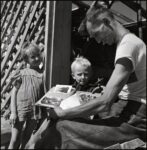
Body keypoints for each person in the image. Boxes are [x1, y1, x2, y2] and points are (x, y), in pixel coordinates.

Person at [35, 2, 146, 149]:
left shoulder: (127, 46)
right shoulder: (129, 43)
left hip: (135, 118)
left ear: (106, 22)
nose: (98, 41)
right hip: (125, 108)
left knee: (62, 130)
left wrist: (63, 113)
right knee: (66, 122)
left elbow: (105, 102)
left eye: (96, 34)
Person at [24, 56, 105, 149]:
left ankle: (34, 144)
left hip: (78, 117)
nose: (83, 77)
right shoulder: (72, 87)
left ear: (91, 74)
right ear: (73, 75)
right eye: (79, 74)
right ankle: (31, 143)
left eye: (86, 74)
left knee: (52, 126)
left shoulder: (94, 88)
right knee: (47, 122)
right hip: (65, 114)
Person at [8, 42, 46, 149]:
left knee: (27, 137)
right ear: (26, 60)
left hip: (34, 111)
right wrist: (13, 113)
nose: (37, 58)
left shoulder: (42, 74)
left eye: (38, 55)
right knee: (14, 140)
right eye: (33, 57)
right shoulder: (21, 73)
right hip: (21, 111)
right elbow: (14, 93)